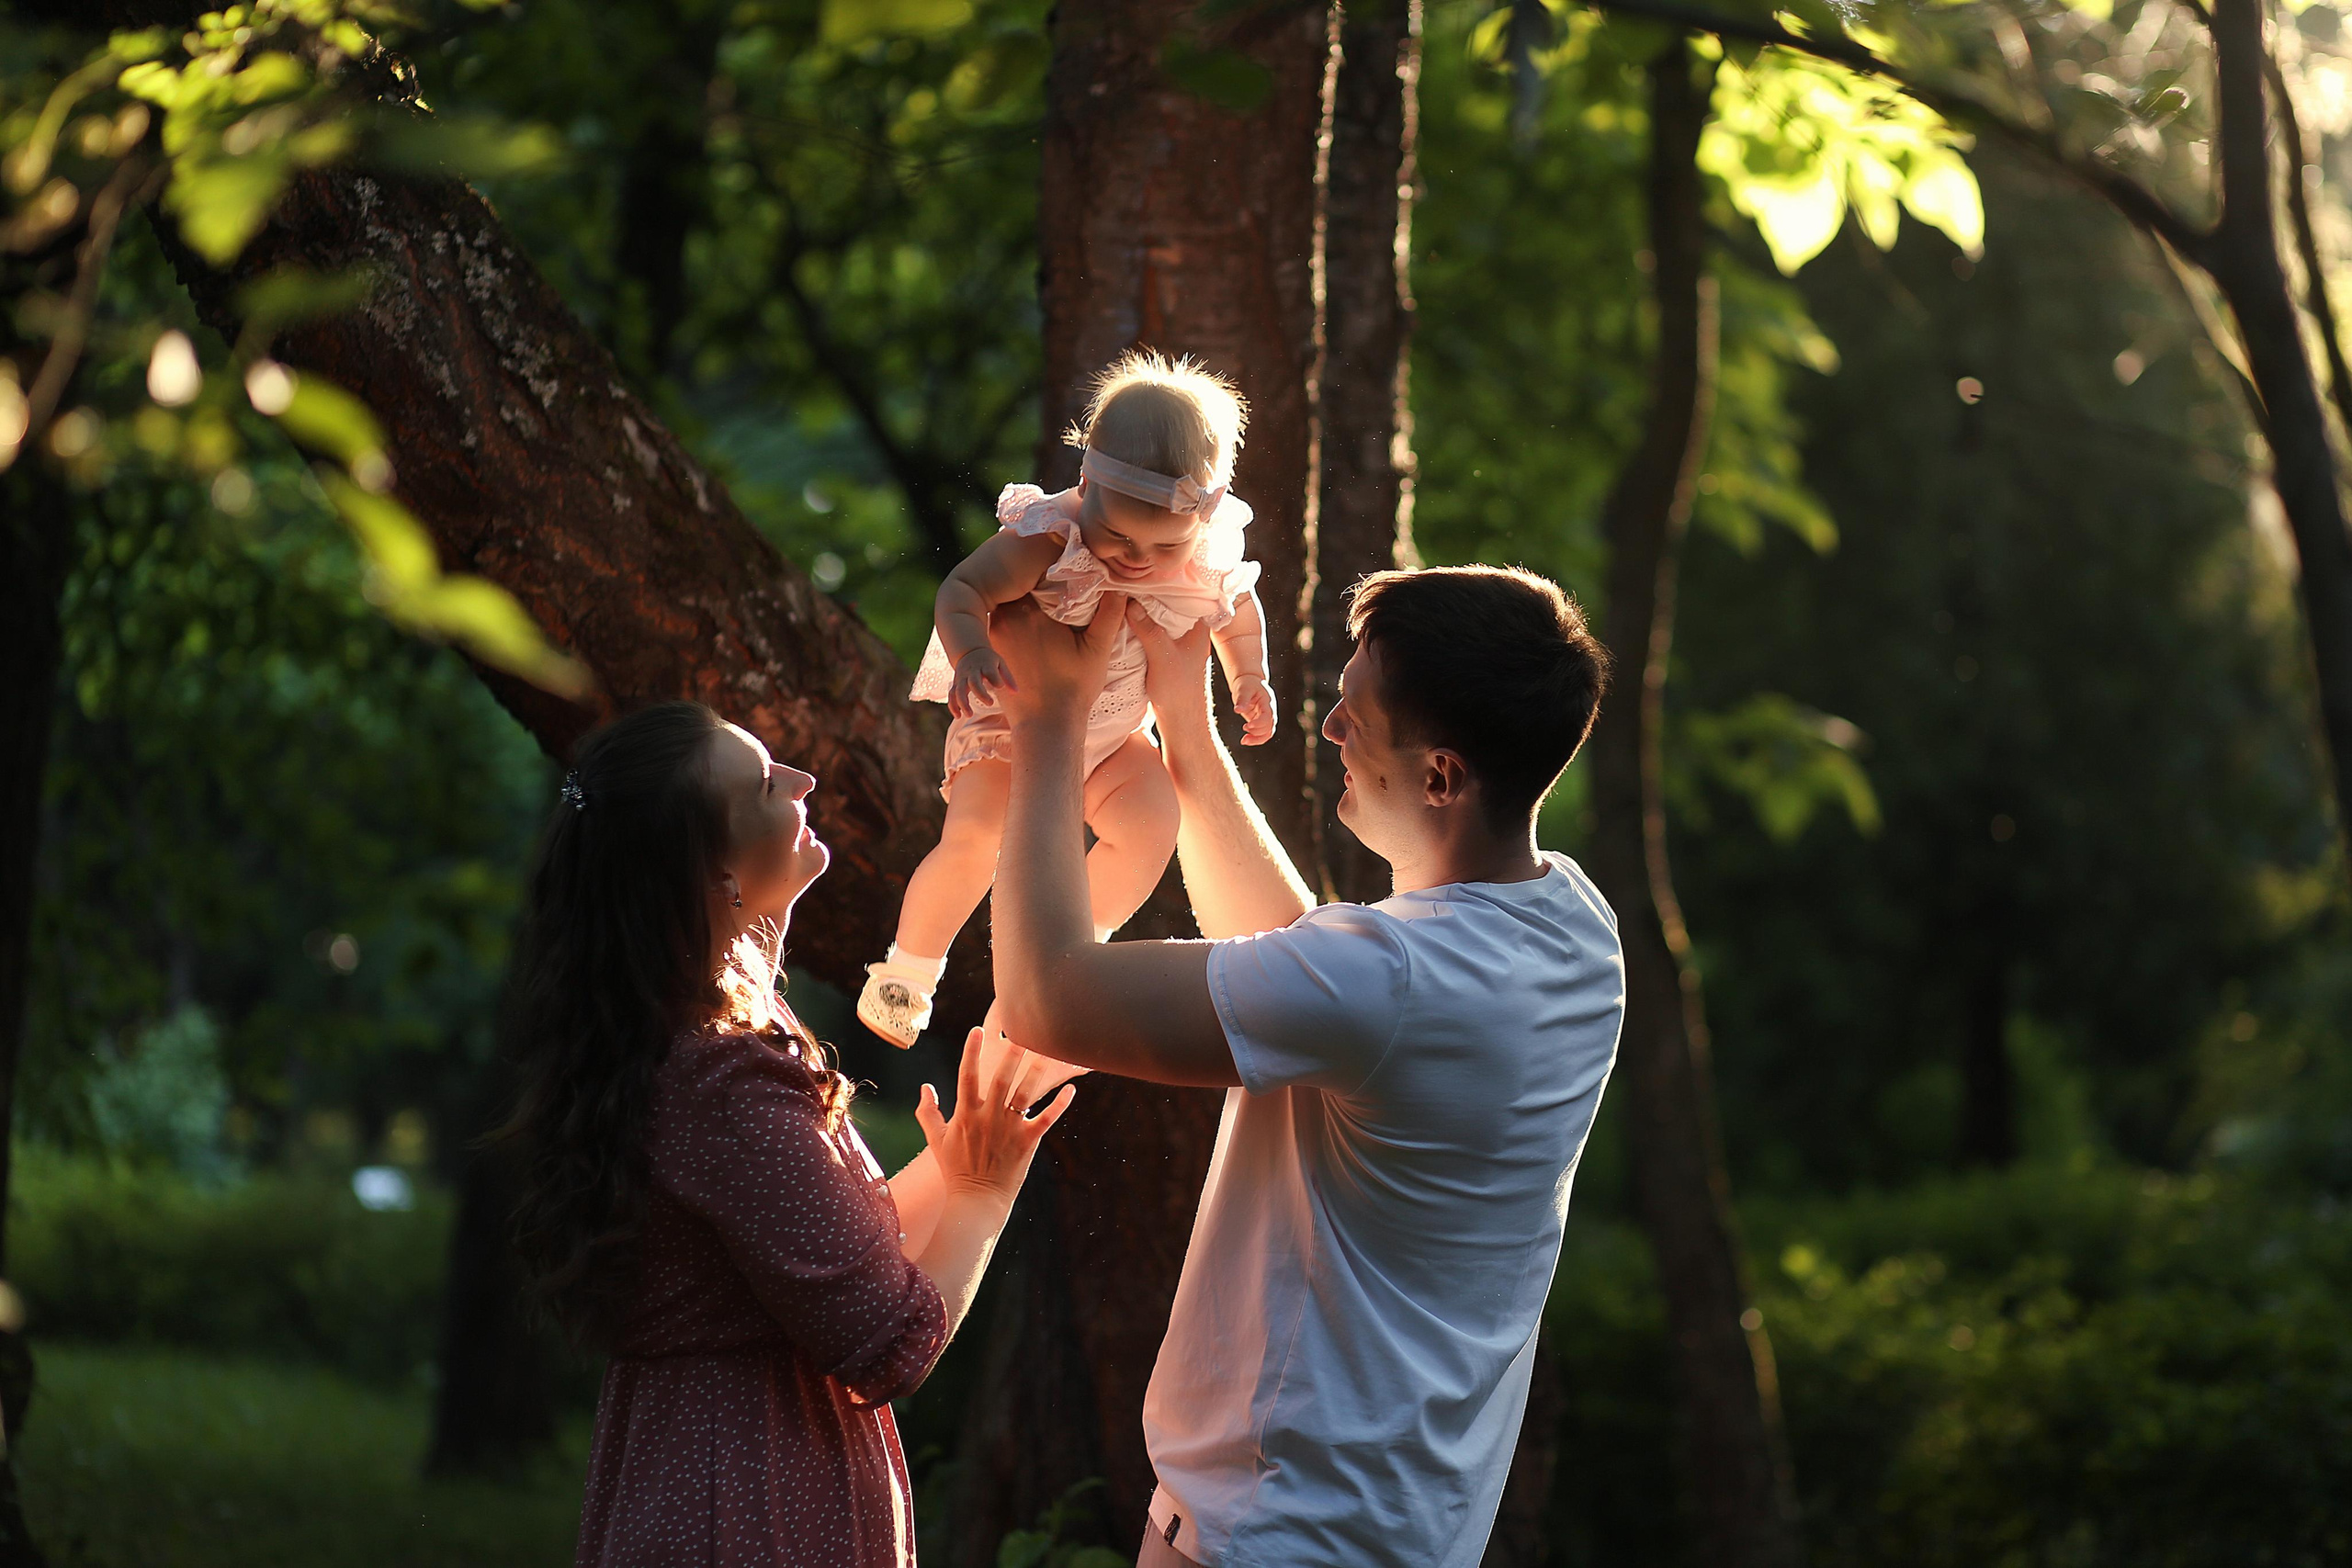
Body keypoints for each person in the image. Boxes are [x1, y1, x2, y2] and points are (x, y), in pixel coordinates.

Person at [984, 567, 1624, 1567]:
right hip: (1400, 1526)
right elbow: (1308, 978)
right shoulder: (1576, 928)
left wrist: (1049, 721)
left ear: (1440, 777)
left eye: (1355, 719)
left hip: (1272, 1532)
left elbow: (1046, 998)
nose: (1329, 732)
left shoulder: (1389, 979)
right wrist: (1182, 730)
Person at [495, 701, 1076, 1568]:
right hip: (750, 1498)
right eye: (766, 784)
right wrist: (985, 1193)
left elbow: (825, 1257)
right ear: (712, 870)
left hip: (704, 1473)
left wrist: (963, 1156)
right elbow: (891, 1338)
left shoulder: (699, 1031)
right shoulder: (720, 1075)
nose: (802, 781)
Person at [856, 350, 1277, 1047]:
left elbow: (1239, 613)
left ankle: (1072, 949)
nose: (1136, 558)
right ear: (1086, 485)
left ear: (1201, 525)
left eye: (1162, 543)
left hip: (1113, 740)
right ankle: (908, 972)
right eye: (1117, 534)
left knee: (1151, 822)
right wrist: (973, 654)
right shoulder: (1052, 539)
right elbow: (962, 591)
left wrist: (1250, 679)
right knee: (975, 843)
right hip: (1006, 723)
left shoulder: (1206, 555)